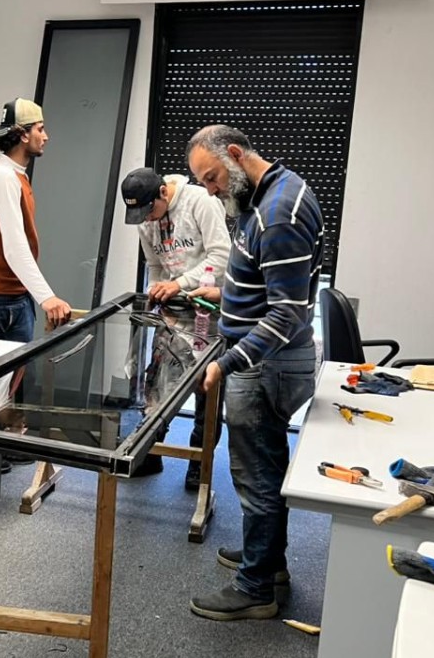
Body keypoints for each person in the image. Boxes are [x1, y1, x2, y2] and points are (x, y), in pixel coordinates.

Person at [184, 125, 323, 621]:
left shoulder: (279, 212)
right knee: (265, 466)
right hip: (265, 359)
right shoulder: (266, 194)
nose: (211, 190)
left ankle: (256, 587)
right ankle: (269, 562)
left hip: (265, 363)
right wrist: (228, 294)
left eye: (213, 177)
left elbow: (286, 314)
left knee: (256, 475)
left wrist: (226, 362)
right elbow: (269, 283)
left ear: (236, 155)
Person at [121, 167, 230, 488]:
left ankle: (199, 463)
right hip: (172, 313)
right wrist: (156, 288)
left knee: (207, 391)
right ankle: (149, 451)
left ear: (163, 193)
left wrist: (179, 283)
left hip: (209, 310)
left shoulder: (200, 202)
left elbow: (221, 256)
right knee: (157, 385)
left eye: (149, 210)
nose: (147, 219)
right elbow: (155, 265)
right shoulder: (145, 219)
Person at [0, 97, 72, 344]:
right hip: (5, 298)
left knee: (17, 367)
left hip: (15, 294)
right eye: (40, 129)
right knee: (14, 369)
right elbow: (14, 247)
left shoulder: (15, 175)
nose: (46, 136)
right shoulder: (4, 177)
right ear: (23, 135)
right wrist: (47, 298)